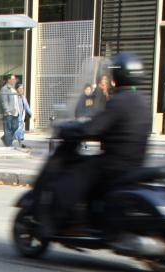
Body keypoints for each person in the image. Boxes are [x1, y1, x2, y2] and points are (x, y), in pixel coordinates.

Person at [40, 52, 152, 236]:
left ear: (117, 74)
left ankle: (73, 221)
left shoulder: (119, 101)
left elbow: (92, 128)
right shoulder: (141, 100)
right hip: (134, 164)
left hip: (114, 163)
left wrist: (66, 130)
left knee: (75, 173)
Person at [0, 74, 21, 148]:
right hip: (8, 113)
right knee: (8, 128)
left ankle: (5, 138)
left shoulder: (13, 89)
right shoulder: (4, 89)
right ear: (9, 80)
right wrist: (7, 110)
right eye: (13, 79)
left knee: (16, 126)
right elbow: (3, 100)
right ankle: (8, 143)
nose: (15, 81)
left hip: (15, 112)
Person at [13, 82, 32, 150]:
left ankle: (20, 143)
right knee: (15, 130)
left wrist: (30, 113)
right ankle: (10, 141)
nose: (21, 90)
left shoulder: (23, 98)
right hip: (15, 116)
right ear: (16, 89)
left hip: (21, 116)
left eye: (22, 89)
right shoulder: (15, 97)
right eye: (19, 88)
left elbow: (26, 106)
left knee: (20, 130)